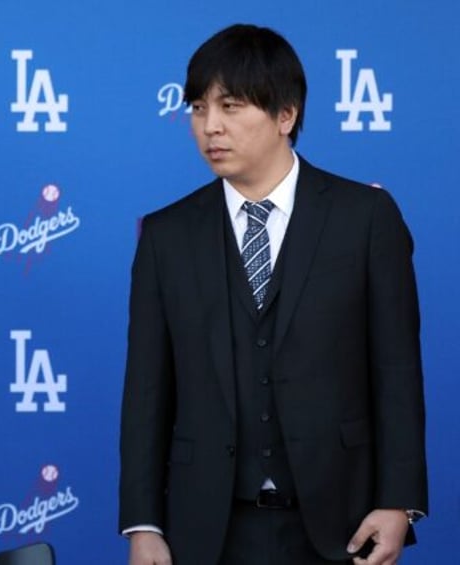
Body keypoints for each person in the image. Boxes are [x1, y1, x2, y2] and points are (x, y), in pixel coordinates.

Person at [119, 23, 427, 565]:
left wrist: (399, 503)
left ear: (286, 115)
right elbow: (146, 391)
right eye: (197, 108)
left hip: (343, 527)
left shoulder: (365, 219)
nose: (210, 126)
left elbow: (397, 371)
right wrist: (143, 524)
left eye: (231, 106)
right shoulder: (166, 235)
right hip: (207, 530)